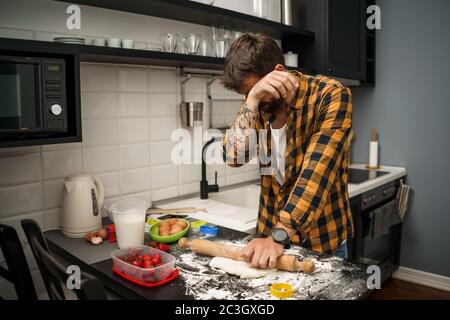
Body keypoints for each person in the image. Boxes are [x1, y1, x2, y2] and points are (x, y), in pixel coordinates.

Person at [221, 33, 353, 268]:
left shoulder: (330, 95)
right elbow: (232, 157)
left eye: (255, 90)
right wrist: (251, 100)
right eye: (249, 94)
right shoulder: (258, 101)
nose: (254, 98)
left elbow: (316, 174)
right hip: (268, 241)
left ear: (279, 72)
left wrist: (279, 235)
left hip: (321, 240)